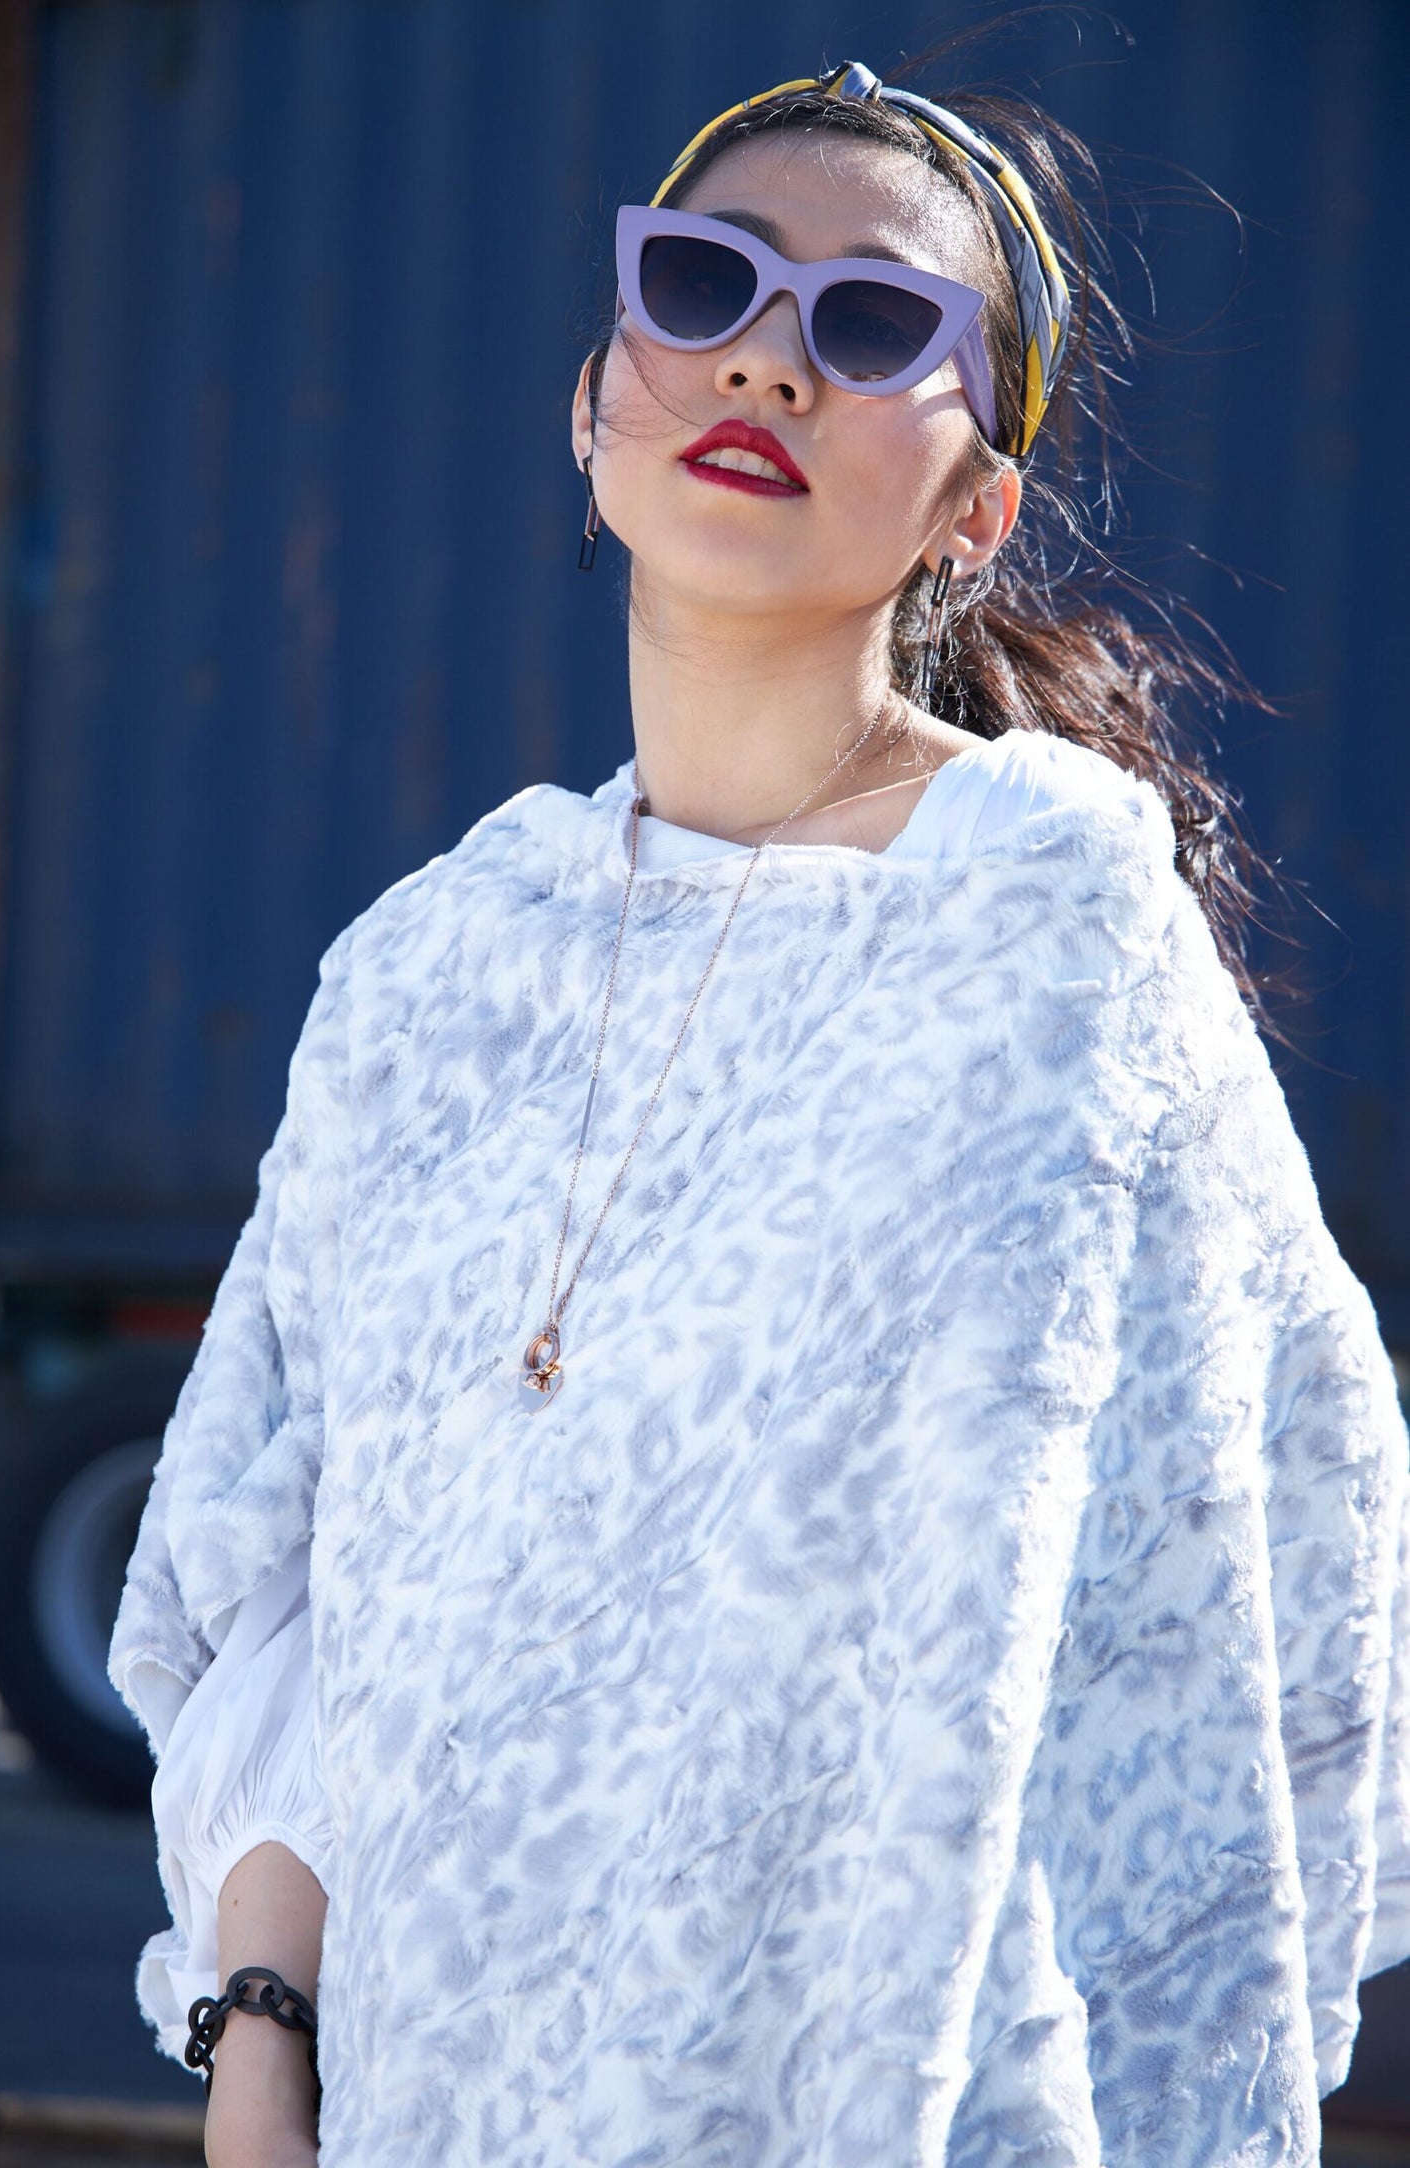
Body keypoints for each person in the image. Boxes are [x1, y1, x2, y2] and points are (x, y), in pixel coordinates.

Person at [108, 52, 1410, 2168]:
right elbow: (281, 1572)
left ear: (978, 504)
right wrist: (260, 2037)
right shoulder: (430, 973)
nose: (774, 361)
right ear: (592, 397)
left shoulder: (1045, 901)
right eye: (704, 284)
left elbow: (1262, 1572)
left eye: (878, 324)